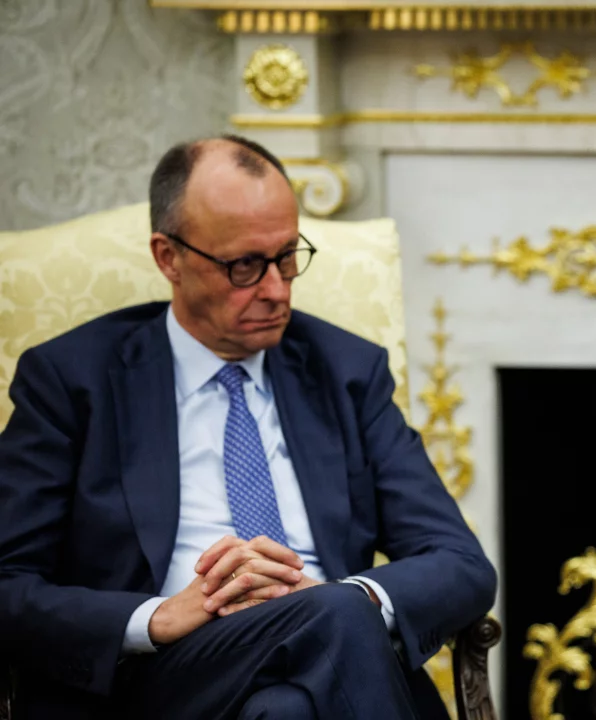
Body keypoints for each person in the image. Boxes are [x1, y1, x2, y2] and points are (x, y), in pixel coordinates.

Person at [0, 135, 497, 719]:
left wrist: (346, 599)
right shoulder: (72, 379)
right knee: (334, 624)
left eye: (287, 257)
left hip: (329, 660)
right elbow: (8, 583)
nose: (277, 289)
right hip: (156, 680)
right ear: (168, 257)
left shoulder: (346, 372)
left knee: (288, 705)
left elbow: (460, 562)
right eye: (245, 266)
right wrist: (157, 618)